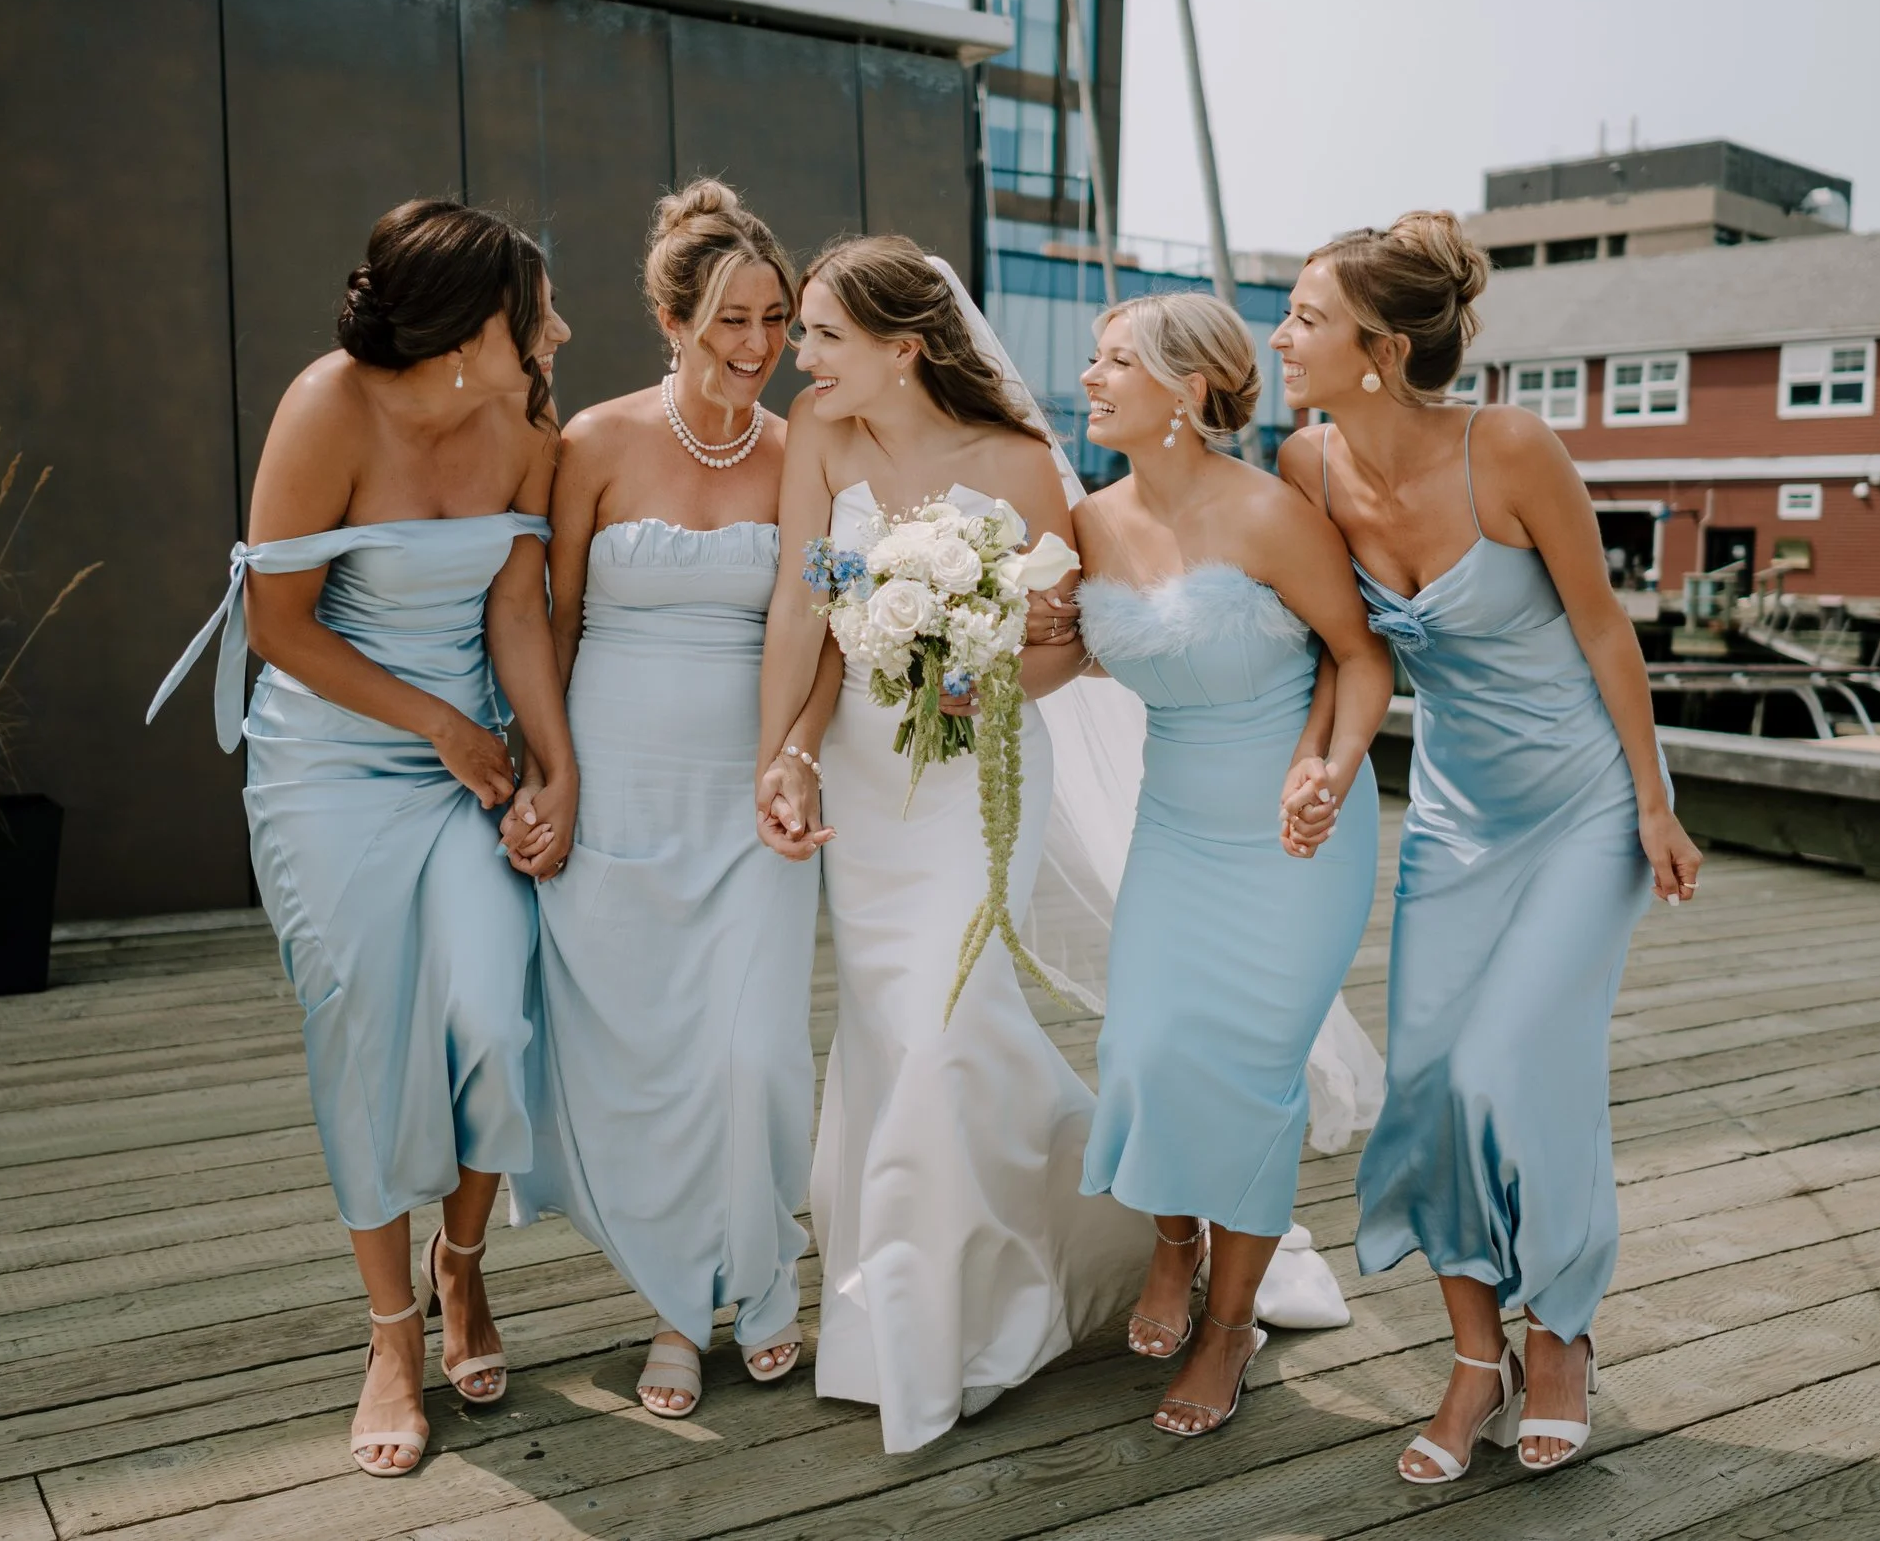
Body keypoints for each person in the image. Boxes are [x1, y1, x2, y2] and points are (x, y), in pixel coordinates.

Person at [146, 199, 577, 1478]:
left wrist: (556, 767)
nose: (558, 327)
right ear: (467, 327)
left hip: (467, 755)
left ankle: (463, 1263)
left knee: (497, 1014)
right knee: (361, 1019)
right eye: (536, 307)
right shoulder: (328, 405)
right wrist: (441, 725)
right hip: (332, 755)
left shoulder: (527, 416)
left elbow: (515, 606)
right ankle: (392, 1335)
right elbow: (279, 625)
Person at [1273, 212, 1701, 1482]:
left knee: (1516, 1061)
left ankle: (1559, 1329)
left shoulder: (1507, 446)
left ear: (1381, 347)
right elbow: (1341, 653)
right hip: (1455, 814)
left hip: (1584, 800)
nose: (1281, 335)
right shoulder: (1307, 467)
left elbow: (1607, 628)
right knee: (1432, 1084)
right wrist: (1326, 762)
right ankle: (1476, 1358)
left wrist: (1655, 804)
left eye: (1304, 316)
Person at [754, 235, 1150, 1453]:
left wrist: (973, 672)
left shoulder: (1022, 461)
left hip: (979, 771)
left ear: (902, 347)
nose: (797, 353)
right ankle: (972, 1275)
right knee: (892, 1029)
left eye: (821, 334)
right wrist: (786, 749)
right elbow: (802, 606)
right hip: (865, 790)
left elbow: (1065, 637)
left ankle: (933, 1332)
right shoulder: (820, 437)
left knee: (940, 1020)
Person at [518, 179, 823, 1419]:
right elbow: (552, 619)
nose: (757, 348)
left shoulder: (803, 452)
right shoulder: (589, 442)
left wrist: (795, 749)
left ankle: (761, 1270)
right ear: (670, 316)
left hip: (750, 794)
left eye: (776, 321)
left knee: (749, 1052)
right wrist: (554, 773)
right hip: (617, 791)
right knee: (640, 1058)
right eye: (730, 322)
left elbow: (826, 629)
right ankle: (672, 1305)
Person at [1069, 292, 1392, 1437]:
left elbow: (1358, 658)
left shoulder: (1266, 515)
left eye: (1116, 361)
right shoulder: (1087, 520)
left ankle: (1227, 1326)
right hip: (1175, 825)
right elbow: (1046, 661)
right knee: (1145, 1045)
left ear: (1188, 386)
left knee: (1255, 1073)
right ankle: (1172, 1239)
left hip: (1292, 830)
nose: (1092, 376)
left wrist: (1333, 770)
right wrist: (938, 655)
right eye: (1095, 358)